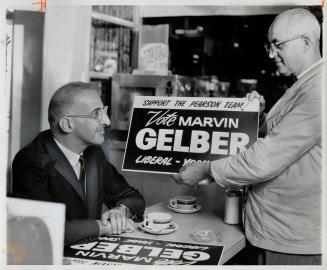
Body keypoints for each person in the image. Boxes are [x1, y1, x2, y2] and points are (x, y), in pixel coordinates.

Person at [173, 8, 323, 265]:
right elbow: (283, 143)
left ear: (306, 42)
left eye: (278, 45)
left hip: (292, 240)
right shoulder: (304, 84)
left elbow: (265, 159)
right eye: (270, 46)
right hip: (280, 230)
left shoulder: (319, 90)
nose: (272, 54)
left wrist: (205, 170)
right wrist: (259, 118)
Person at [11, 82, 145, 245]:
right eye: (97, 113)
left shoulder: (94, 152)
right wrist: (103, 227)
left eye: (104, 111)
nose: (107, 121)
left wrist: (120, 210)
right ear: (67, 124)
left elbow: (132, 197)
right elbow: (42, 228)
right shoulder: (29, 160)